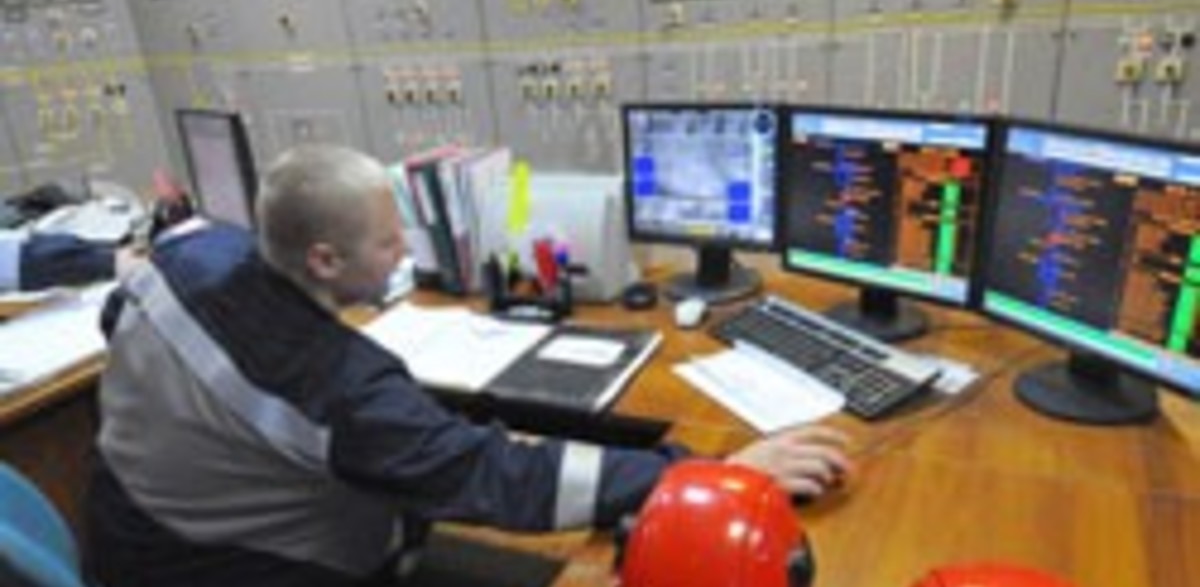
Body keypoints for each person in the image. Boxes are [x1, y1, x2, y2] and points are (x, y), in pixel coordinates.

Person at [85, 144, 853, 587]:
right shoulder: (339, 386)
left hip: (118, 529)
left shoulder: (192, 253)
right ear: (323, 258)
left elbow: (118, 310)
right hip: (206, 568)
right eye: (389, 241)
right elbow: (494, 477)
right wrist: (699, 473)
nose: (406, 252)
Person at [0, 230, 135, 292]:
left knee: (100, 255)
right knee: (102, 259)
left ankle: (135, 254)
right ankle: (137, 257)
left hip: (24, 250)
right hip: (24, 261)